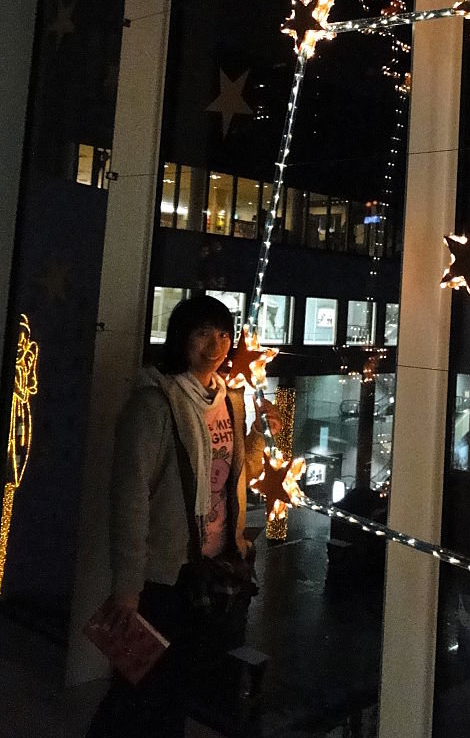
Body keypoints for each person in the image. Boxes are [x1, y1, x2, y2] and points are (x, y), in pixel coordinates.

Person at [86, 294, 281, 738]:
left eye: (224, 334)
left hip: (211, 569)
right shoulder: (153, 406)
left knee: (176, 685)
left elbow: (234, 476)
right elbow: (130, 499)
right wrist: (128, 587)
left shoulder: (230, 402)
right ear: (180, 338)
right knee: (138, 685)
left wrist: (259, 433)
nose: (215, 345)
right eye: (202, 333)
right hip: (163, 575)